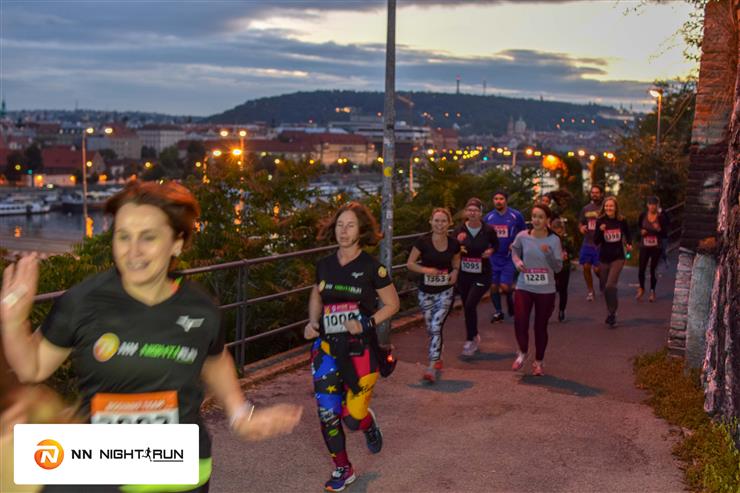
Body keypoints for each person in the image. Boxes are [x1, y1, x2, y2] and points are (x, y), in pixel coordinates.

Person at [0, 181, 302, 493]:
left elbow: (214, 358)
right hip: (102, 460)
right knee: (18, 467)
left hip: (178, 461)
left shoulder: (200, 308)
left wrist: (240, 414)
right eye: (123, 236)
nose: (133, 251)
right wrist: (12, 321)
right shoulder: (83, 301)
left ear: (177, 243)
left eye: (148, 237)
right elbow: (32, 367)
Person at [304, 202, 400, 492]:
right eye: (339, 225)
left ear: (361, 231)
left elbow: (393, 304)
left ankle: (368, 423)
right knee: (327, 414)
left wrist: (367, 323)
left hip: (361, 350)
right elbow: (317, 294)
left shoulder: (372, 268)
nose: (343, 231)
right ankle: (343, 468)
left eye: (350, 226)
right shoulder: (324, 265)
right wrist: (312, 322)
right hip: (327, 349)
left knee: (353, 419)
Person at [406, 208, 461, 383]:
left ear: (449, 223)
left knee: (436, 325)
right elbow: (410, 263)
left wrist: (455, 272)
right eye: (436, 221)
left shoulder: (454, 244)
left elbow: (456, 262)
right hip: (425, 292)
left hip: (445, 291)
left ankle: (431, 365)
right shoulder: (422, 242)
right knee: (431, 327)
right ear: (430, 222)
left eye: (443, 221)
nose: (440, 224)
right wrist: (426, 270)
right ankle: (438, 351)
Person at [510, 203, 562, 376]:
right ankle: (522, 352)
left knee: (540, 326)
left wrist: (549, 254)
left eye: (540, 217)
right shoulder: (522, 236)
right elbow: (514, 251)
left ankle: (539, 361)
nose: (536, 220)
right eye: (534, 217)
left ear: (547, 220)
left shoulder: (554, 240)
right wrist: (517, 262)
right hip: (524, 285)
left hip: (545, 290)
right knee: (520, 320)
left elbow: (558, 268)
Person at [455, 198, 499, 357]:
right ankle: (473, 335)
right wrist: (457, 245)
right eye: (470, 210)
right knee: (468, 306)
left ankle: (470, 339)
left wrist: (490, 251)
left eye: (476, 210)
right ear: (466, 212)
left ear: (481, 213)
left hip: (482, 273)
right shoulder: (459, 230)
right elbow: (452, 248)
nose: (472, 213)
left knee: (470, 304)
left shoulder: (488, 230)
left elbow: (496, 245)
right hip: (464, 274)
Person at [483, 191, 526, 323]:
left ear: (506, 200)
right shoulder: (488, 217)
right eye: (496, 199)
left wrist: (516, 244)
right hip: (493, 257)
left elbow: (524, 233)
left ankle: (509, 297)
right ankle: (498, 312)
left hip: (509, 257)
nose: (498, 201)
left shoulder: (516, 215)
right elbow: (483, 235)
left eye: (501, 199)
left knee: (505, 286)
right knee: (493, 286)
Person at [593, 196, 633, 327]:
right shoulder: (600, 221)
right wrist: (600, 231)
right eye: (606, 206)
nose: (608, 208)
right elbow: (596, 241)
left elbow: (628, 234)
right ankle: (611, 312)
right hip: (604, 258)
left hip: (618, 257)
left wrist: (629, 244)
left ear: (616, 207)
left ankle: (612, 313)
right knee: (605, 287)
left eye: (611, 206)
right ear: (604, 207)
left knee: (611, 285)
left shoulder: (621, 220)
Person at [637, 196, 669, 302]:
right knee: (641, 268)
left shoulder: (661, 217)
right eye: (650, 204)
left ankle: (652, 291)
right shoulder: (643, 215)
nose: (652, 207)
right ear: (647, 205)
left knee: (653, 269)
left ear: (657, 206)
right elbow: (638, 227)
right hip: (644, 246)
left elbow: (665, 233)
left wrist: (658, 229)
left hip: (656, 246)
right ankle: (641, 288)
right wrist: (641, 231)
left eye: (654, 205)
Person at [578, 185, 604, 301]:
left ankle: (603, 281)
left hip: (600, 244)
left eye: (597, 192)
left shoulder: (605, 207)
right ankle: (590, 291)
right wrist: (581, 228)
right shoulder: (586, 208)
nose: (594, 194)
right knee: (586, 266)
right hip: (588, 242)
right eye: (593, 192)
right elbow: (581, 222)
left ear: (601, 194)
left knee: (597, 269)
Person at [551, 217, 574, 322]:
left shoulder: (567, 240)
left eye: (560, 230)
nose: (558, 232)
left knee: (563, 289)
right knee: (551, 288)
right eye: (555, 230)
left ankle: (562, 310)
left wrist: (567, 255)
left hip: (564, 267)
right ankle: (549, 307)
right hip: (552, 267)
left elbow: (573, 253)